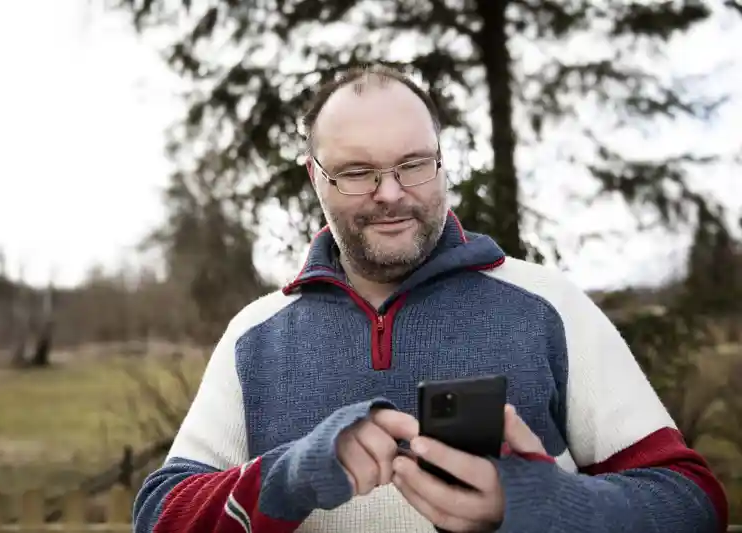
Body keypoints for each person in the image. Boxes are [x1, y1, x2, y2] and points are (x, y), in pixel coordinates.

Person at [132, 65, 728, 533]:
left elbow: (692, 502)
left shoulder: (548, 305)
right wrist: (287, 478)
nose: (390, 193)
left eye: (413, 164)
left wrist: (541, 506)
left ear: (442, 163)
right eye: (357, 172)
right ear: (315, 177)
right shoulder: (254, 335)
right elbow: (159, 516)